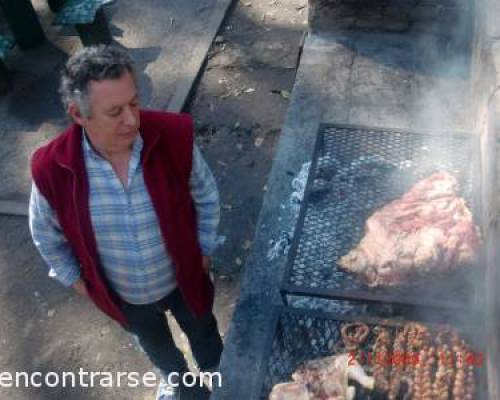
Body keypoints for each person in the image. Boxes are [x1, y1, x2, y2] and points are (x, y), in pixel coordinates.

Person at [28, 45, 223, 400]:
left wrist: (205, 247)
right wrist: (76, 282)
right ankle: (183, 386)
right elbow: (45, 234)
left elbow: (206, 195)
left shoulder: (172, 137)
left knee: (203, 329)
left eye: (134, 103)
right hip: (125, 295)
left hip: (184, 279)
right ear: (78, 114)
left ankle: (219, 373)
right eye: (114, 112)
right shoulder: (52, 167)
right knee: (157, 346)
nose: (132, 120)